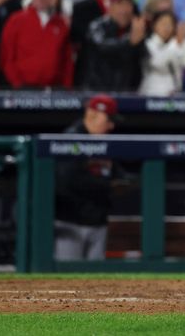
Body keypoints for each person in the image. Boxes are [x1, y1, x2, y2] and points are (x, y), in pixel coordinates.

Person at [54, 95, 120, 261]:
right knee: (67, 283)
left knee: (95, 284)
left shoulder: (105, 142)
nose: (111, 125)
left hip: (97, 223)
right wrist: (108, 185)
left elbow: (118, 174)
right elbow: (68, 181)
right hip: (70, 225)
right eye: (108, 119)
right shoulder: (71, 139)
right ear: (92, 115)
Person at [0, 0, 73, 88]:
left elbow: (67, 59)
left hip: (53, 90)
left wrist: (65, 87)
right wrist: (17, 83)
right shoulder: (16, 20)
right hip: (23, 88)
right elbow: (7, 56)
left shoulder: (60, 23)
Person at [79, 0, 147, 91]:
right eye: (120, 4)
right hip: (97, 90)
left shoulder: (134, 29)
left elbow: (144, 56)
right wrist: (129, 42)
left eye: (128, 5)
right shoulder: (97, 26)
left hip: (126, 92)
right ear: (110, 7)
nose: (124, 10)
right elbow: (102, 46)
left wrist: (140, 38)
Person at [138, 10, 185, 96]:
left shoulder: (178, 43)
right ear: (154, 25)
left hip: (174, 94)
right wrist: (176, 44)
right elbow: (158, 62)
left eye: (170, 24)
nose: (166, 27)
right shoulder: (147, 44)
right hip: (151, 95)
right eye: (163, 23)